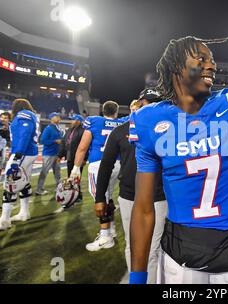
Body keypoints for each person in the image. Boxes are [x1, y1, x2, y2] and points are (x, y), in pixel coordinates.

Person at [129, 36, 228, 284]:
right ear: (177, 66)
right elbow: (143, 209)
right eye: (201, 58)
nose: (212, 65)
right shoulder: (149, 120)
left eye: (212, 60)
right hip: (179, 251)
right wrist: (137, 277)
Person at [96, 93, 167, 284]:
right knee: (132, 245)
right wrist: (99, 197)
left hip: (158, 197)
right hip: (129, 196)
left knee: (152, 249)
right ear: (138, 104)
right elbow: (106, 164)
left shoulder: (168, 129)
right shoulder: (120, 131)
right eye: (146, 104)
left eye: (155, 104)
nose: (149, 108)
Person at [69, 101, 124, 251]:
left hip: (99, 164)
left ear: (102, 110)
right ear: (116, 112)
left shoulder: (94, 121)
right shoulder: (121, 123)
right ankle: (111, 230)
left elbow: (82, 147)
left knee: (99, 198)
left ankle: (105, 236)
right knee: (108, 195)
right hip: (117, 164)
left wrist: (75, 168)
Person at [0, 99, 39, 232]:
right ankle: (24, 212)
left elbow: (25, 134)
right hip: (29, 152)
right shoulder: (30, 115)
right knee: (24, 182)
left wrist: (17, 155)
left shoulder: (23, 115)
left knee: (10, 184)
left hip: (23, 153)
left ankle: (4, 221)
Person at [58, 114, 86, 202]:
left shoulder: (83, 131)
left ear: (79, 121)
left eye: (73, 120)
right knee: (70, 177)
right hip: (69, 156)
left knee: (76, 177)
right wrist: (60, 155)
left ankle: (78, 195)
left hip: (78, 157)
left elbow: (86, 147)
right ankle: (72, 194)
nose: (71, 121)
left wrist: (84, 159)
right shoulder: (69, 130)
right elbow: (64, 142)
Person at [36, 112, 64, 195]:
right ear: (51, 118)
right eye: (56, 116)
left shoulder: (57, 128)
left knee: (57, 172)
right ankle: (39, 189)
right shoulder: (48, 128)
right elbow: (42, 141)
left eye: (59, 116)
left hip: (56, 153)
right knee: (44, 171)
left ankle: (58, 187)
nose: (58, 118)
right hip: (48, 154)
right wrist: (54, 141)